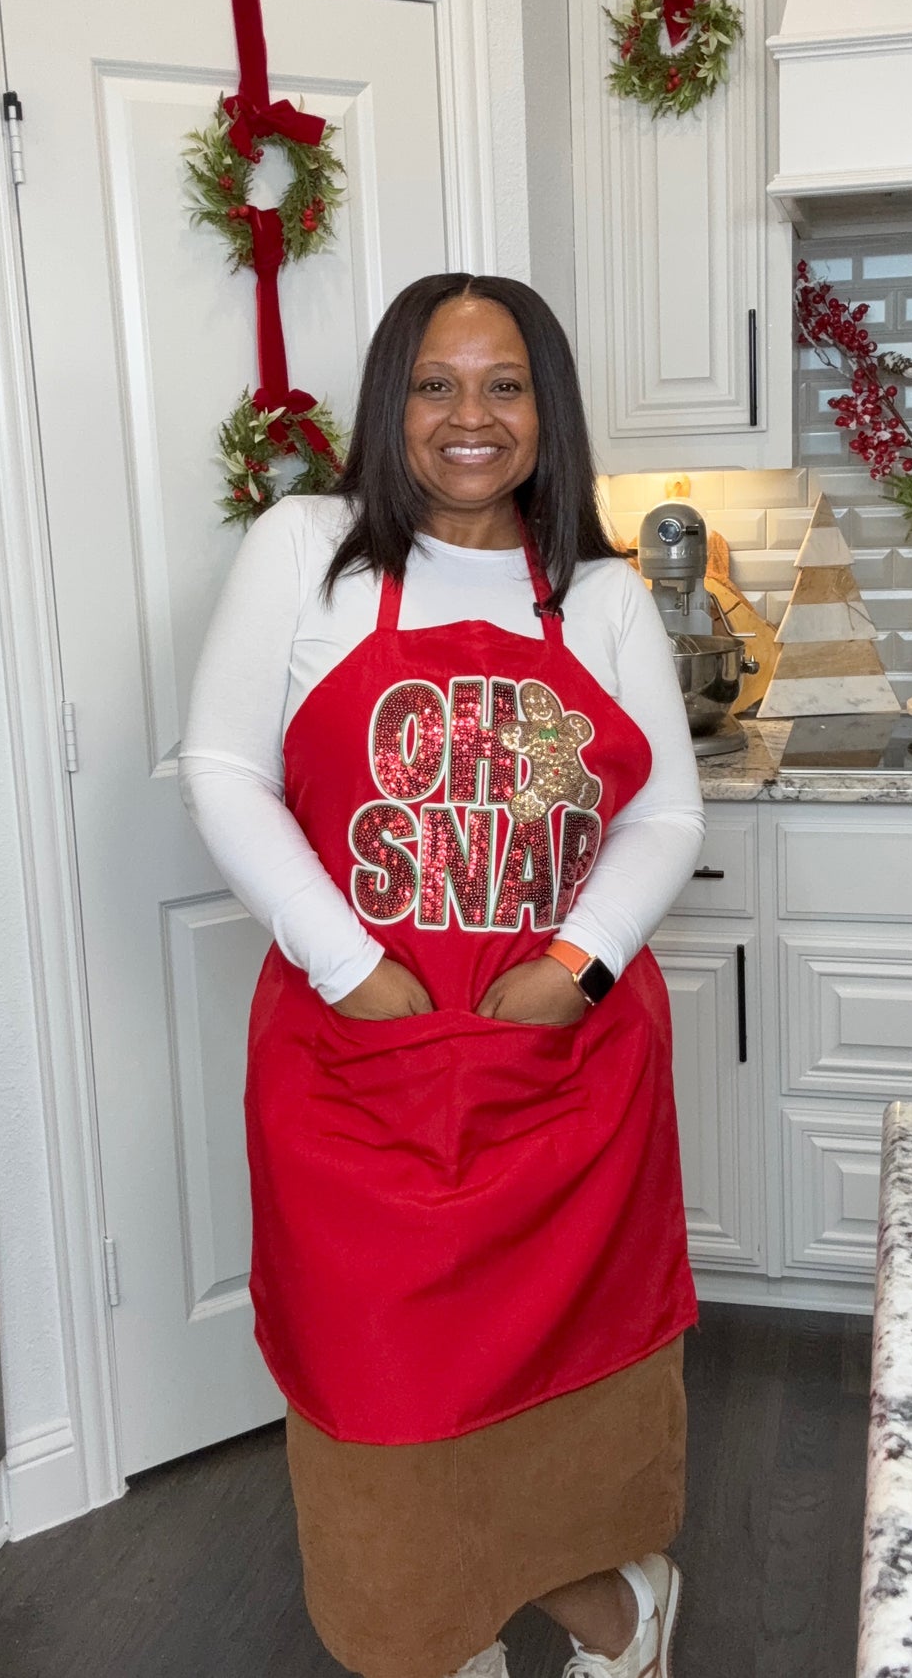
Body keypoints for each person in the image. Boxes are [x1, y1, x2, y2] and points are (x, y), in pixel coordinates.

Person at [180, 274, 705, 1678]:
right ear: (388, 406)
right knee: (380, 1416)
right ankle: (472, 1635)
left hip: (561, 1072)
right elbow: (224, 771)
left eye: (504, 384)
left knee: (565, 1412)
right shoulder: (306, 550)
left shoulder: (597, 595)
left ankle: (612, 1613)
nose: (469, 417)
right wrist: (351, 967)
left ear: (548, 411)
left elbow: (665, 814)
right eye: (433, 383)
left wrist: (572, 968)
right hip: (360, 1073)